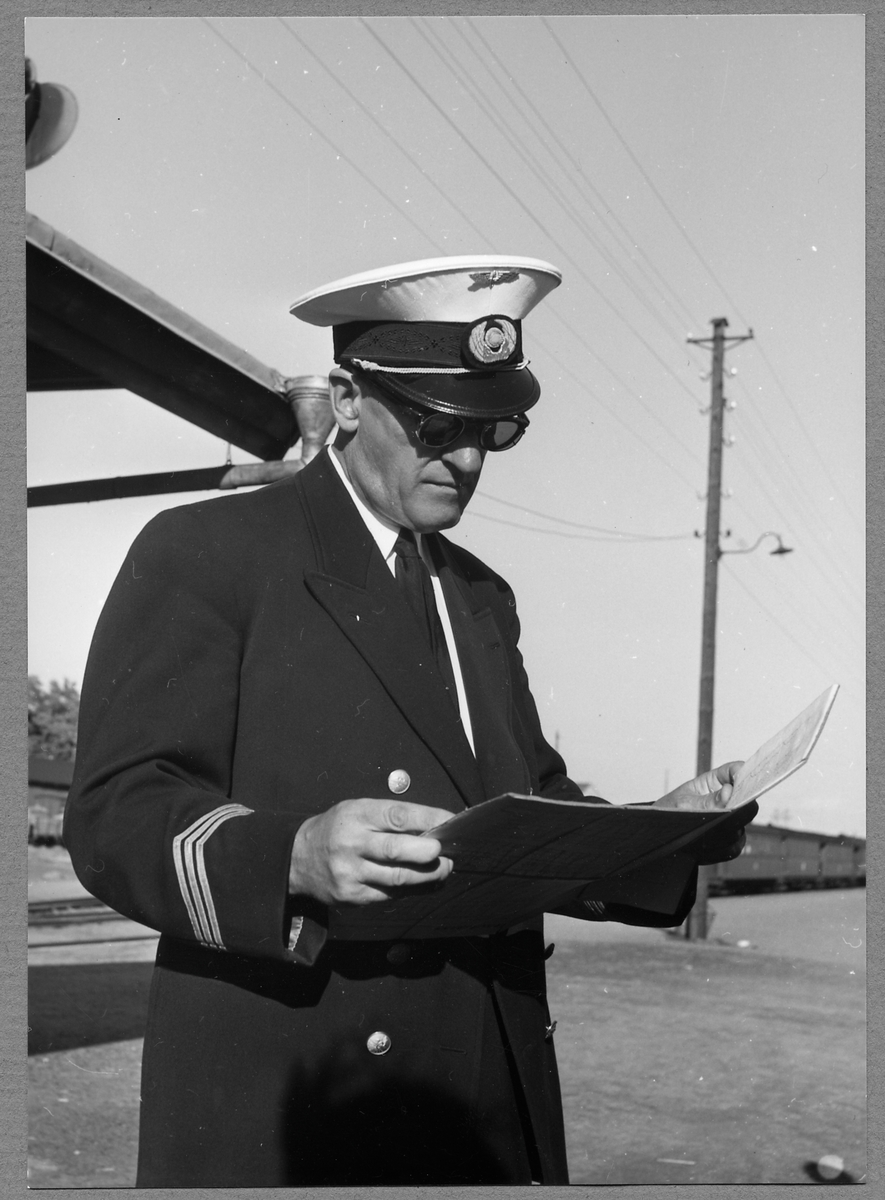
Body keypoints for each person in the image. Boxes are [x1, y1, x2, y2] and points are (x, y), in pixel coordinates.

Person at [64, 256, 754, 1187]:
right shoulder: (209, 551)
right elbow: (114, 811)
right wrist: (290, 854)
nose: (465, 460)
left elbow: (526, 804)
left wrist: (660, 831)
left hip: (477, 1087)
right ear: (348, 400)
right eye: (436, 426)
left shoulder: (480, 596)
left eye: (492, 430)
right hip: (299, 1091)